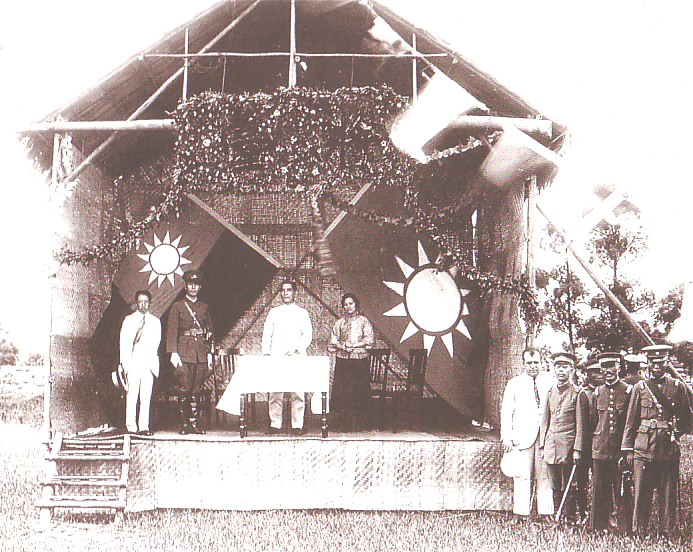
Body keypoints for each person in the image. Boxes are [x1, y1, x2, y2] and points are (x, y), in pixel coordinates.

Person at [621, 344, 692, 537]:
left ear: (667, 362)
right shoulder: (640, 387)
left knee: (667, 491)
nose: (657, 366)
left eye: (660, 362)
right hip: (643, 446)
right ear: (648, 364)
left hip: (666, 446)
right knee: (641, 490)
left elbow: (687, 417)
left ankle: (666, 530)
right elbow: (631, 420)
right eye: (653, 362)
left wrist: (676, 436)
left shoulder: (678, 387)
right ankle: (638, 530)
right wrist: (627, 449)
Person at [500, 347, 555, 518]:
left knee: (544, 476)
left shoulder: (550, 382)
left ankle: (545, 513)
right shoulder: (514, 383)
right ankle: (521, 513)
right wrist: (507, 437)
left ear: (542, 363)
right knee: (522, 475)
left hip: (544, 437)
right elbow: (506, 411)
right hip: (521, 437)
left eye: (536, 362)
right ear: (523, 364)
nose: (533, 366)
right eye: (529, 363)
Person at [588, 352, 633, 533]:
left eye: (612, 366)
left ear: (619, 368)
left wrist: (628, 448)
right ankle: (598, 527)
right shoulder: (597, 392)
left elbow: (632, 421)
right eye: (604, 367)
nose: (608, 371)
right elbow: (593, 421)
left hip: (620, 449)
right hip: (600, 448)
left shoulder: (629, 391)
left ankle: (623, 527)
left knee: (622, 489)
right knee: (599, 489)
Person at [262, 279, 313, 435]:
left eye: (289, 290)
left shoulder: (302, 312)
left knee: (297, 391)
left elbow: (307, 335)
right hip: (277, 357)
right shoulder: (273, 312)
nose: (285, 293)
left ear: (294, 293)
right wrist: (266, 353)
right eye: (283, 290)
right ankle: (275, 423)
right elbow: (267, 335)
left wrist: (296, 349)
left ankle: (297, 425)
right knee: (275, 391)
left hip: (296, 357)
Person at [166, 270, 214, 435]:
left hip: (200, 352)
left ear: (199, 287)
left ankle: (194, 423)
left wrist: (209, 353)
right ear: (185, 286)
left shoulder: (204, 307)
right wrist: (173, 352)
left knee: (197, 390)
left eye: (196, 284)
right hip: (184, 353)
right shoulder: (177, 306)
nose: (193, 287)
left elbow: (209, 331)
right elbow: (171, 330)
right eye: (190, 284)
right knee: (184, 389)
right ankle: (184, 424)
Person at [540, 351, 587, 521]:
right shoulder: (550, 391)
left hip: (568, 447)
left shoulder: (578, 393)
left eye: (565, 367)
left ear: (572, 370)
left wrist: (577, 449)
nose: (561, 370)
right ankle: (556, 516)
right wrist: (542, 446)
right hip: (551, 446)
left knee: (569, 483)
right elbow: (545, 420)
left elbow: (581, 424)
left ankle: (569, 517)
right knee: (554, 484)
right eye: (558, 367)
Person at [329, 292, 375, 432]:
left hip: (359, 361)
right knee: (343, 392)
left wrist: (354, 346)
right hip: (343, 360)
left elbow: (369, 340)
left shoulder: (363, 321)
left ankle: (360, 424)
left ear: (356, 304)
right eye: (345, 304)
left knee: (358, 390)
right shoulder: (339, 322)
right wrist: (343, 347)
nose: (348, 307)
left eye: (351, 303)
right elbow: (333, 340)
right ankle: (343, 424)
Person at [119, 290, 161, 436]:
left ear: (150, 303)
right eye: (140, 302)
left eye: (146, 302)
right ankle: (131, 426)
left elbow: (156, 343)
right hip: (134, 361)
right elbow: (124, 343)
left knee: (145, 395)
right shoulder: (129, 320)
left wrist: (151, 363)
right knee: (132, 394)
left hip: (148, 362)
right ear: (136, 302)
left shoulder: (155, 322)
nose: (143, 305)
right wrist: (126, 365)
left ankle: (144, 426)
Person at [574, 358, 604, 523]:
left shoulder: (606, 391)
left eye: (600, 371)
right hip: (586, 444)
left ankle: (599, 514)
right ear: (588, 374)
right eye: (595, 371)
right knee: (582, 480)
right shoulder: (584, 393)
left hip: (602, 444)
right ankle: (583, 513)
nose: (599, 375)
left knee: (601, 480)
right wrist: (578, 447)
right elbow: (580, 422)